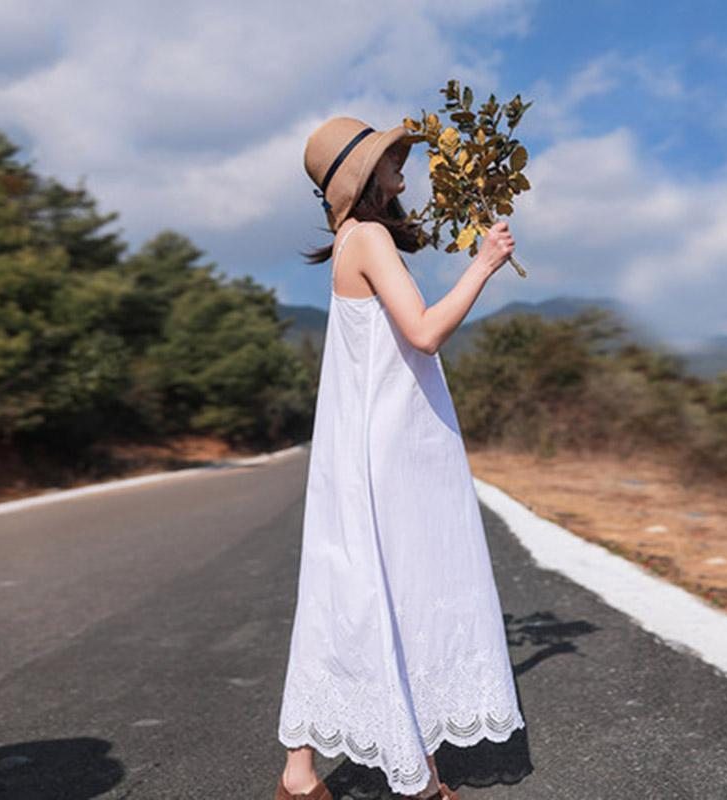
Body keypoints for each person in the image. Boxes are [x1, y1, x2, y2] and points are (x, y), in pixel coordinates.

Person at [275, 116, 525, 800]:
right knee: (395, 595)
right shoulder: (372, 237)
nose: (403, 170)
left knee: (346, 597)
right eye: (391, 160)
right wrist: (483, 263)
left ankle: (301, 775)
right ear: (364, 178)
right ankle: (419, 780)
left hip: (366, 444)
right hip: (391, 452)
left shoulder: (355, 240)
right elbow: (424, 333)